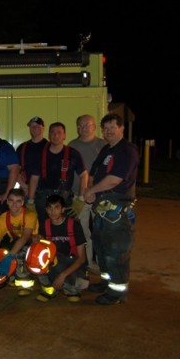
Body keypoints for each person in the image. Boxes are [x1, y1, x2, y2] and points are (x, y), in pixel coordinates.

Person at [84, 113, 139, 306]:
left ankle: (117, 292)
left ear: (122, 128)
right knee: (101, 248)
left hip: (117, 209)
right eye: (105, 128)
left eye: (112, 127)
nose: (108, 131)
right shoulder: (107, 150)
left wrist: (92, 190)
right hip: (102, 208)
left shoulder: (126, 151)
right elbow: (94, 172)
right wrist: (90, 188)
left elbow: (115, 179)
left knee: (116, 251)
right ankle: (107, 282)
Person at [68, 114, 107, 274]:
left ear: (94, 127)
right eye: (81, 125)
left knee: (102, 232)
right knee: (84, 232)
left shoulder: (103, 145)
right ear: (77, 128)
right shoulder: (72, 146)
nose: (84, 128)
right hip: (79, 196)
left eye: (87, 125)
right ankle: (89, 262)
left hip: (99, 195)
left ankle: (103, 264)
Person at [0, 188, 38, 295]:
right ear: (7, 201)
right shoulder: (3, 218)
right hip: (16, 242)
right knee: (1, 252)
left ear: (22, 202)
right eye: (12, 200)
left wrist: (10, 256)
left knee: (19, 253)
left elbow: (25, 237)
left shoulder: (30, 215)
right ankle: (9, 276)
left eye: (18, 201)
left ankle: (25, 283)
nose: (14, 204)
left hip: (32, 243)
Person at [34, 194, 87, 303]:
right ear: (46, 209)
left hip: (71, 261)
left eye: (56, 207)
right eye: (50, 208)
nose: (52, 211)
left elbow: (81, 258)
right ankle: (49, 289)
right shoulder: (45, 225)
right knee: (33, 257)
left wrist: (63, 275)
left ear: (63, 209)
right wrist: (37, 240)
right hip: (55, 260)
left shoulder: (74, 225)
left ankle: (71, 288)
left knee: (79, 282)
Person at [33, 122, 88, 227]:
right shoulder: (40, 154)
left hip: (65, 198)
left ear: (64, 135)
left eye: (59, 132)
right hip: (43, 199)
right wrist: (30, 201)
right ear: (48, 135)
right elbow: (34, 178)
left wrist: (80, 199)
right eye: (52, 132)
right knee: (43, 228)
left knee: (67, 228)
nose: (55, 135)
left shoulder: (73, 153)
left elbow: (83, 175)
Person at [17, 117, 48, 212]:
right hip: (25, 192)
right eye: (32, 126)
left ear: (43, 128)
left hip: (45, 192)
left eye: (37, 126)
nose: (34, 128)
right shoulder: (22, 147)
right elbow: (15, 169)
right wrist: (23, 185)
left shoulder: (50, 147)